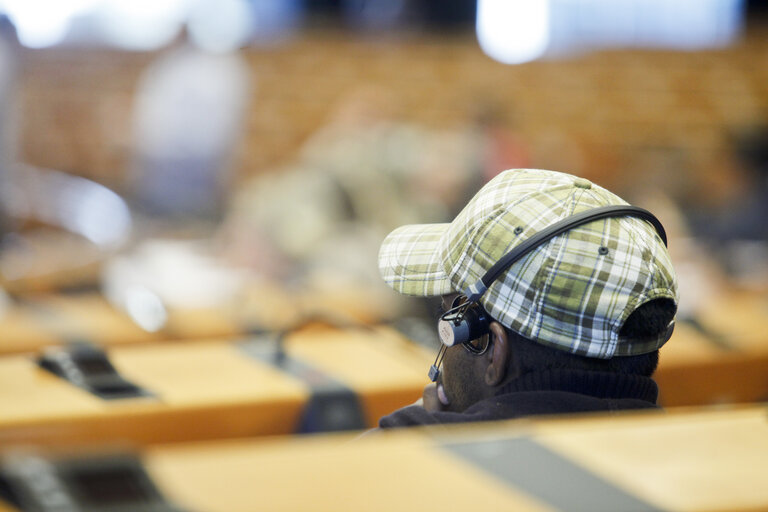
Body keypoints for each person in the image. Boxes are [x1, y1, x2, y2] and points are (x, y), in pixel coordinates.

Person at [375, 168, 678, 428]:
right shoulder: (703, 457)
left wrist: (427, 430)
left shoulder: (402, 456)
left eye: (447, 312)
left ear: (494, 354)